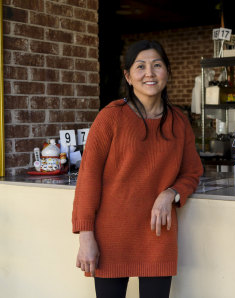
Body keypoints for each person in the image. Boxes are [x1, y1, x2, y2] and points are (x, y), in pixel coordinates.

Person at [72, 40, 203, 298]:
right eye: (140, 66)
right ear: (128, 76)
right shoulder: (111, 117)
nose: (149, 73)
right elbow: (88, 178)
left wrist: (170, 194)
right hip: (111, 235)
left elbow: (192, 172)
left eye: (157, 65)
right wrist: (85, 235)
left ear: (167, 71)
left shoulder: (179, 121)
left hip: (157, 237)